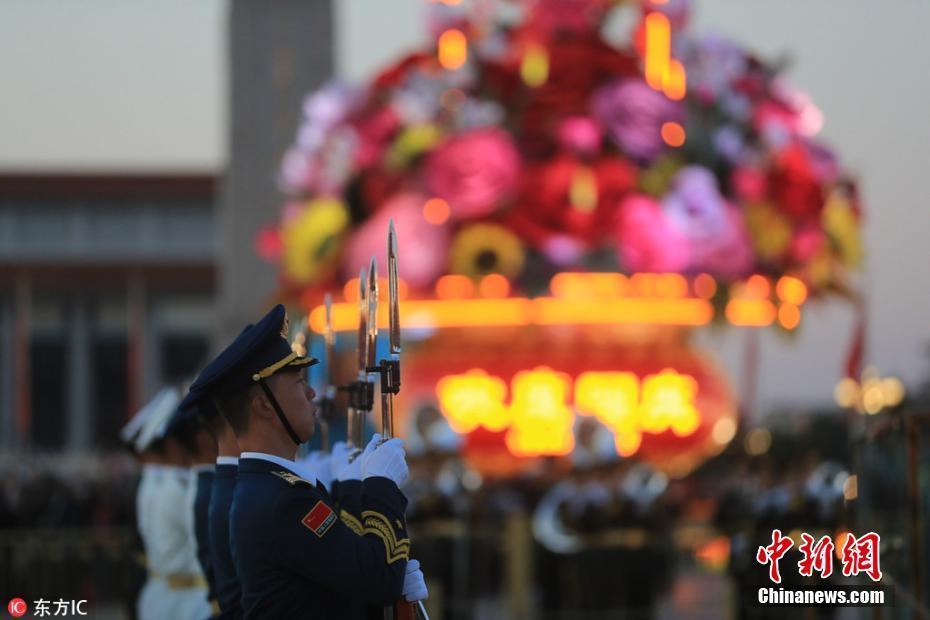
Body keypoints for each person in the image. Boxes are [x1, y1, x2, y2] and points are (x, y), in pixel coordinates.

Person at [192, 304, 426, 619]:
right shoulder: (281, 498)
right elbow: (376, 579)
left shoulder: (274, 487)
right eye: (299, 382)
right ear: (264, 404)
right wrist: (379, 486)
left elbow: (340, 578)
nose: (312, 393)